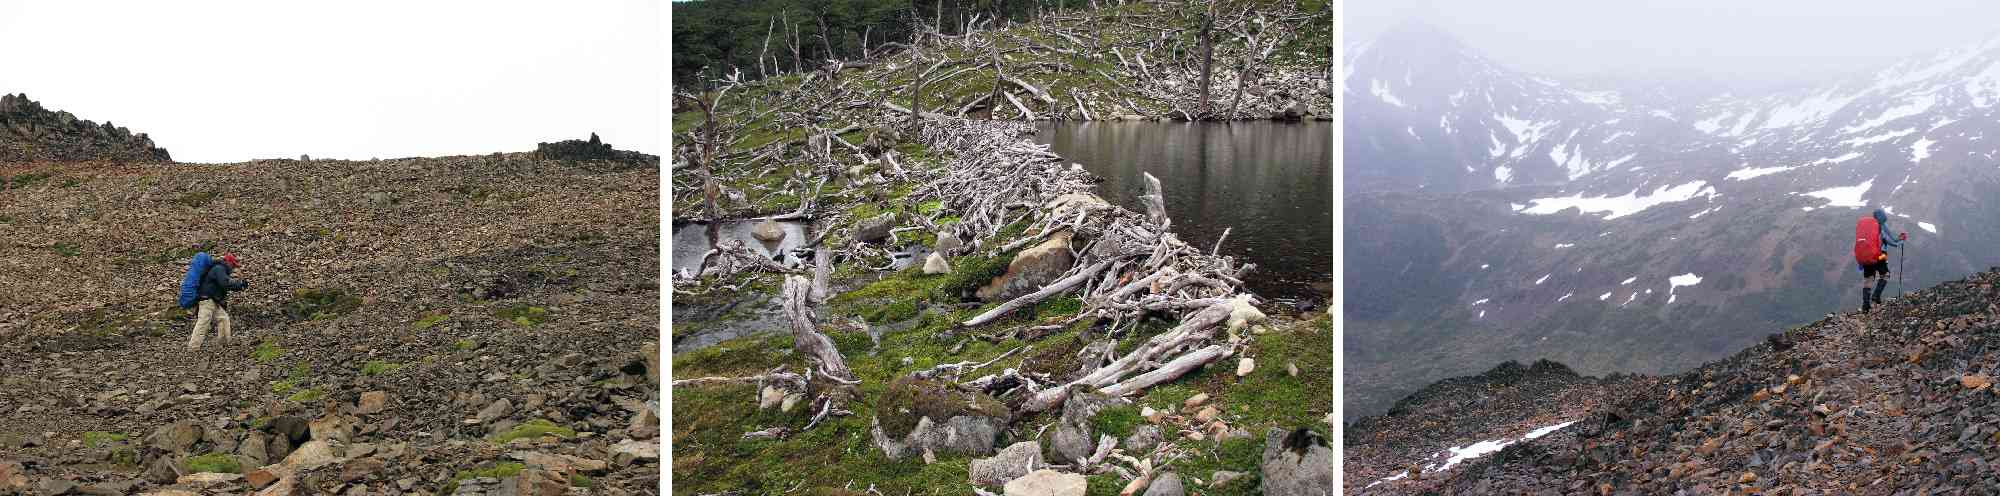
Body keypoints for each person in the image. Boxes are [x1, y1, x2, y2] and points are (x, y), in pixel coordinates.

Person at [190, 253, 248, 349]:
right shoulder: (219, 268)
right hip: (207, 300)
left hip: (213, 301)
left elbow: (225, 283)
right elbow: (225, 283)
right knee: (203, 322)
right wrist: (239, 283)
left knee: (223, 318)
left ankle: (224, 343)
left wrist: (239, 285)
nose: (233, 268)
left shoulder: (220, 269)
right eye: (233, 265)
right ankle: (193, 347)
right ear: (228, 262)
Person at [1859, 209, 1903, 313]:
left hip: (1866, 257)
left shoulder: (1866, 229)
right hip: (1880, 256)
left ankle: (1865, 306)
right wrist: (1901, 241)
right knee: (1885, 275)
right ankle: (1876, 296)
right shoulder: (1879, 228)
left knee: (1868, 280)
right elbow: (1891, 241)